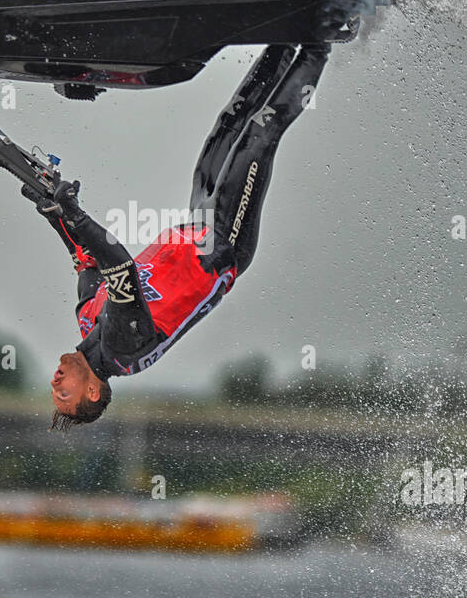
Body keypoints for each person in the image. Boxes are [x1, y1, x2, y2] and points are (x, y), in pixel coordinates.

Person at [26, 43, 330, 429]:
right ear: (92, 391)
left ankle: (286, 35)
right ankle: (325, 36)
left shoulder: (87, 320)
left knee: (232, 121)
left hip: (196, 224)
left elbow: (85, 258)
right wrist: (77, 215)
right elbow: (118, 266)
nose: (55, 380)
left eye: (55, 388)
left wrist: (54, 211)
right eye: (63, 391)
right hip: (222, 248)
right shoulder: (124, 350)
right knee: (260, 134)